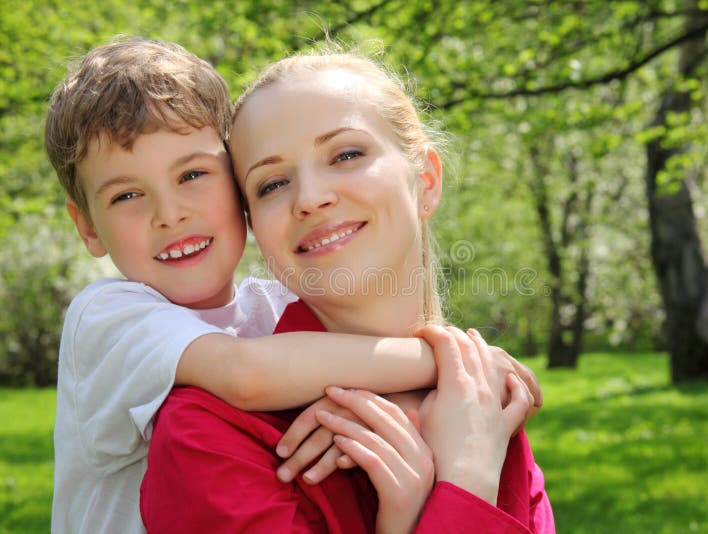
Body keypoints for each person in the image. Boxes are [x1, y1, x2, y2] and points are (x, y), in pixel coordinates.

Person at [44, 37, 541, 533]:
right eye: (273, 183)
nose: (171, 213)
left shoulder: (476, 409)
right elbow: (246, 374)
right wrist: (454, 375)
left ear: (427, 179)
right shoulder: (122, 331)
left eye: (346, 154)